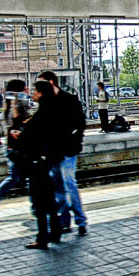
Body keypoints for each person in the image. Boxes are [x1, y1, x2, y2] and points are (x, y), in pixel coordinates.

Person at [37, 70, 88, 236]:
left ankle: (81, 221)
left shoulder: (69, 99)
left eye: (41, 84)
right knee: (58, 188)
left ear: (51, 82)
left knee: (69, 183)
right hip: (52, 152)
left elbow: (80, 123)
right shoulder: (45, 102)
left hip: (68, 150)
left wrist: (74, 139)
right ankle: (65, 221)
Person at [17, 79, 62, 249]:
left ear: (42, 93)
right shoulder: (51, 110)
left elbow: (31, 135)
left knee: (40, 203)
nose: (33, 94)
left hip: (38, 164)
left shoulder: (43, 112)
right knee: (49, 201)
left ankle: (42, 237)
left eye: (35, 91)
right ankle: (55, 232)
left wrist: (19, 135)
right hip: (47, 161)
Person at [0, 79, 30, 220]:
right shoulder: (15, 107)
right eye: (24, 88)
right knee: (30, 176)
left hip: (13, 148)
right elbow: (15, 123)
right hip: (18, 148)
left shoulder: (11, 107)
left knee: (15, 177)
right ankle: (39, 207)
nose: (27, 89)